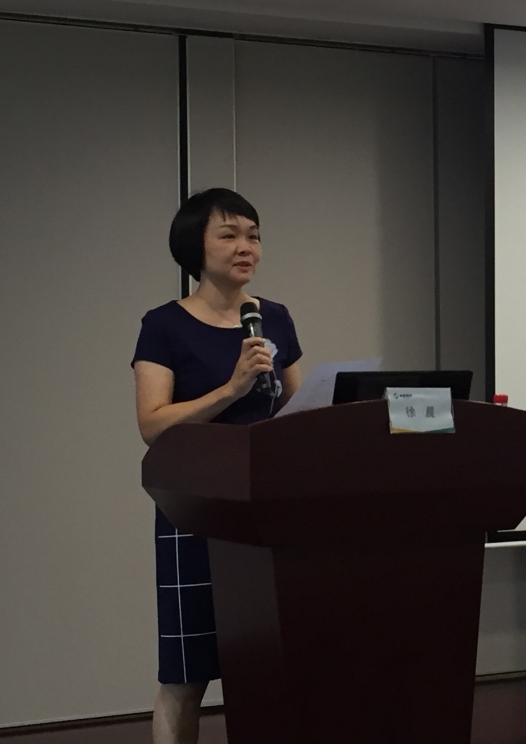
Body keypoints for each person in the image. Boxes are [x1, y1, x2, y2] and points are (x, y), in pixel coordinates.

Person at [131, 189, 303, 744]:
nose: (245, 247)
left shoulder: (273, 318)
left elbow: (299, 413)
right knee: (187, 673)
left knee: (273, 663)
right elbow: (152, 424)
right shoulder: (165, 325)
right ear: (195, 248)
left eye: (253, 235)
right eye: (228, 235)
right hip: (195, 509)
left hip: (265, 509)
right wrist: (232, 389)